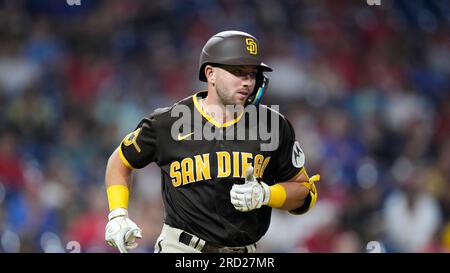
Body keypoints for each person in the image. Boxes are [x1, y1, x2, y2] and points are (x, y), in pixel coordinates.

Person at [104, 30, 320, 253]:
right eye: (238, 71)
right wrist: (118, 214)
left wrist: (267, 194)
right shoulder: (167, 123)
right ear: (211, 74)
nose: (247, 82)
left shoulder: (272, 125)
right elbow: (120, 162)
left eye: (252, 74)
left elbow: (305, 192)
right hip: (182, 249)